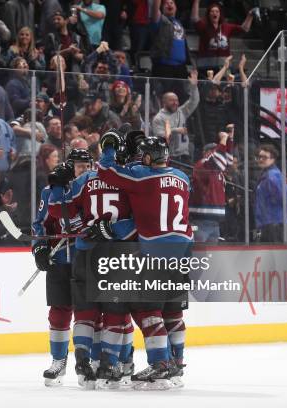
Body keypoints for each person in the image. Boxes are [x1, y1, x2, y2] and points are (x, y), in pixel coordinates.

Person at [97, 132, 193, 389]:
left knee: (148, 310)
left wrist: (109, 148)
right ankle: (177, 363)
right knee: (173, 311)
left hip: (156, 253)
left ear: (149, 157)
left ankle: (160, 363)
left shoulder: (142, 177)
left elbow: (106, 172)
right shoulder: (183, 178)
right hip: (183, 253)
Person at [48, 146, 136, 389]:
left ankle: (83, 362)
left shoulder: (87, 179)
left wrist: (57, 186)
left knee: (85, 313)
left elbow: (58, 209)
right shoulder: (128, 178)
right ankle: (110, 364)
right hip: (117, 254)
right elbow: (141, 218)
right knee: (115, 313)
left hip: (86, 253)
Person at [33, 148, 92, 386]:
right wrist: (39, 248)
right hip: (60, 258)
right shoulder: (50, 192)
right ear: (69, 166)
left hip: (86, 259)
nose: (84, 170)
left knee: (88, 313)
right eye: (79, 166)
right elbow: (40, 224)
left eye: (87, 166)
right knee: (59, 312)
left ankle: (87, 363)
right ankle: (59, 361)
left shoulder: (94, 191)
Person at [189, 129, 234, 243]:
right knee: (198, 257)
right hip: (200, 221)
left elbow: (227, 161)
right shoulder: (202, 165)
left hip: (215, 223)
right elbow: (217, 159)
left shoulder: (216, 170)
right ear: (207, 153)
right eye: (216, 150)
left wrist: (230, 140)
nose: (220, 153)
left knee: (210, 257)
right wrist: (223, 139)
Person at [191, 0, 253, 75]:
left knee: (225, 86)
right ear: (208, 14)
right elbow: (194, 18)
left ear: (220, 14)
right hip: (205, 68)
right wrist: (196, 1)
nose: (215, 13)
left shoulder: (226, 27)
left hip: (224, 67)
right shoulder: (203, 26)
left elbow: (244, 29)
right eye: (212, 11)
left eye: (217, 11)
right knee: (207, 86)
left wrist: (250, 15)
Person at [151, 70, 199, 165]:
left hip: (186, 156)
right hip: (170, 158)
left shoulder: (182, 111)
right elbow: (160, 137)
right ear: (164, 103)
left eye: (176, 100)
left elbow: (194, 101)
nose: (175, 103)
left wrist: (193, 86)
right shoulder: (159, 118)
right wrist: (175, 130)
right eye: (172, 101)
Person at [254, 144, 287, 243]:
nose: (260, 159)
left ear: (273, 159)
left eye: (264, 157)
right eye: (259, 157)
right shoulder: (267, 174)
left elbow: (283, 197)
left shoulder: (272, 176)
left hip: (274, 222)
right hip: (269, 222)